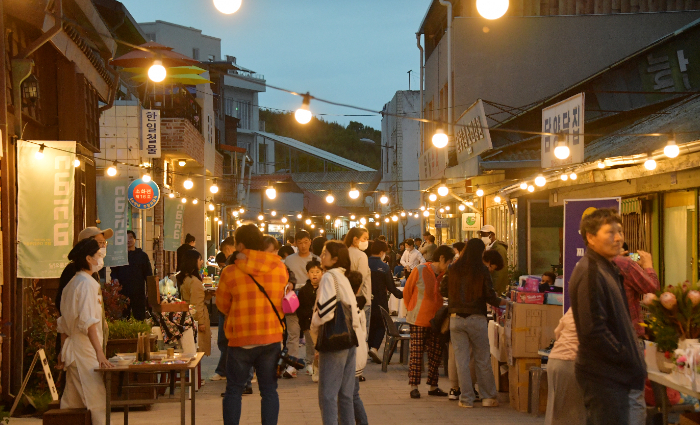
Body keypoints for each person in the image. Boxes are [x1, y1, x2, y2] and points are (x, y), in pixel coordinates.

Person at [569, 208, 645, 425]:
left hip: (612, 375)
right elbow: (595, 330)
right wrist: (625, 358)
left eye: (619, 231)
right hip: (604, 376)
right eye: (610, 232)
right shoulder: (591, 271)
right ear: (590, 238)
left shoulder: (607, 268)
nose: (618, 237)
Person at [217, 224, 289, 425]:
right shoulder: (279, 268)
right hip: (271, 337)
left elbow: (222, 306)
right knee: (269, 391)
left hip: (240, 338)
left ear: (240, 244)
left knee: (234, 390)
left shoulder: (230, 272)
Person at [441, 238, 505, 408]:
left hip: (455, 318)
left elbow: (443, 289)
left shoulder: (453, 268)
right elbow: (490, 296)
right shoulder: (482, 270)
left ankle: (466, 399)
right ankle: (488, 397)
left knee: (461, 360)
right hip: (476, 317)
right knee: (482, 359)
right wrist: (504, 302)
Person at [56, 238, 113, 425]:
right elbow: (89, 323)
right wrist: (99, 353)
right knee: (95, 401)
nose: (101, 259)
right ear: (89, 258)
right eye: (98, 255)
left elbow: (63, 323)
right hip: (85, 350)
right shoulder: (87, 284)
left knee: (72, 403)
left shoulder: (72, 283)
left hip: (73, 350)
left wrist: (62, 350)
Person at [310, 240, 363, 425]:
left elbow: (325, 312)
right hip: (350, 339)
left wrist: (313, 325)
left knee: (328, 394)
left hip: (334, 341)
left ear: (334, 258)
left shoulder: (328, 277)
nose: (321, 256)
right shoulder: (343, 278)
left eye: (325, 253)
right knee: (345, 395)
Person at [613, 242, 658, 424]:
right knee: (633, 396)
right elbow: (652, 290)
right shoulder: (626, 264)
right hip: (629, 337)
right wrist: (647, 265)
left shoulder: (594, 263)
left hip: (605, 338)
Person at [403, 245, 454, 399]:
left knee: (435, 354)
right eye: (449, 261)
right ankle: (414, 386)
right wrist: (411, 308)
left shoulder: (446, 275)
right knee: (417, 354)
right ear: (442, 258)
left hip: (437, 320)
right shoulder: (419, 269)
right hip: (418, 318)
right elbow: (407, 291)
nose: (450, 264)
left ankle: (433, 386)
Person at [56, 226, 113, 357]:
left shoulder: (92, 274)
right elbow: (67, 311)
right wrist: (63, 348)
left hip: (90, 345)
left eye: (105, 243)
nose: (103, 247)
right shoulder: (78, 276)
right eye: (99, 243)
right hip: (83, 347)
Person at [282, 230, 319, 378]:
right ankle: (292, 365)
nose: (303, 246)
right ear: (295, 243)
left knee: (310, 332)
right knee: (292, 332)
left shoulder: (316, 259)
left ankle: (310, 362)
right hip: (293, 296)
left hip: (310, 297)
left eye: (306, 242)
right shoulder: (289, 260)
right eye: (300, 242)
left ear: (310, 241)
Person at [544, 309, 586, 425]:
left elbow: (557, 331)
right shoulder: (600, 307)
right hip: (571, 362)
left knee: (556, 414)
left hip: (555, 360)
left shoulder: (574, 308)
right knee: (572, 416)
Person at [367, 240, 403, 363]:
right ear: (382, 252)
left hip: (366, 301)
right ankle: (375, 348)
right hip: (380, 301)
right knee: (381, 325)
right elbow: (392, 288)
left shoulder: (364, 263)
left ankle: (370, 348)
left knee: (370, 326)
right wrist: (403, 295)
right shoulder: (384, 267)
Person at [109, 230, 153, 320]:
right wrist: (115, 280)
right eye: (126, 238)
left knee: (140, 316)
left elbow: (148, 273)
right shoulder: (120, 256)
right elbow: (113, 271)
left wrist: (150, 291)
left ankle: (141, 333)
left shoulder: (142, 255)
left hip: (138, 291)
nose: (128, 240)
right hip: (123, 291)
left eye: (130, 237)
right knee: (123, 316)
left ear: (135, 239)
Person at [176, 249, 210, 357]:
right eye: (200, 259)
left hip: (188, 315)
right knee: (196, 349)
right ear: (194, 261)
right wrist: (201, 323)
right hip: (195, 317)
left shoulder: (185, 278)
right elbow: (197, 303)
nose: (201, 262)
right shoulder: (194, 281)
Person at [212, 236, 236, 381]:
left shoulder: (230, 265)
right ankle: (223, 370)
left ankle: (224, 371)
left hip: (229, 309)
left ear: (227, 249)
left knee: (226, 340)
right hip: (230, 308)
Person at [348, 268, 369, 425]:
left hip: (351, 354)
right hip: (360, 352)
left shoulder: (348, 308)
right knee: (352, 394)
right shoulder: (359, 307)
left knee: (350, 395)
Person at [297, 259, 323, 381]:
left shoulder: (324, 288)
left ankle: (318, 367)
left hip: (321, 323)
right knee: (310, 345)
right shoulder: (303, 290)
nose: (315, 274)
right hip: (308, 322)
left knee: (319, 346)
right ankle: (309, 364)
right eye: (312, 272)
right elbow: (300, 308)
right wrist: (304, 324)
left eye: (318, 271)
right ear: (307, 274)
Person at [344, 227, 371, 334]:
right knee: (361, 334)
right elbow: (362, 278)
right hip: (361, 299)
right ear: (355, 239)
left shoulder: (343, 253)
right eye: (364, 238)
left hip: (345, 298)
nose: (366, 242)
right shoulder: (361, 256)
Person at [479, 225, 509, 294]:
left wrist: (493, 289)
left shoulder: (499, 249)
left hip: (496, 289)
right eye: (481, 235)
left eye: (484, 235)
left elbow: (499, 272)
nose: (482, 237)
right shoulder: (489, 247)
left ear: (491, 234)